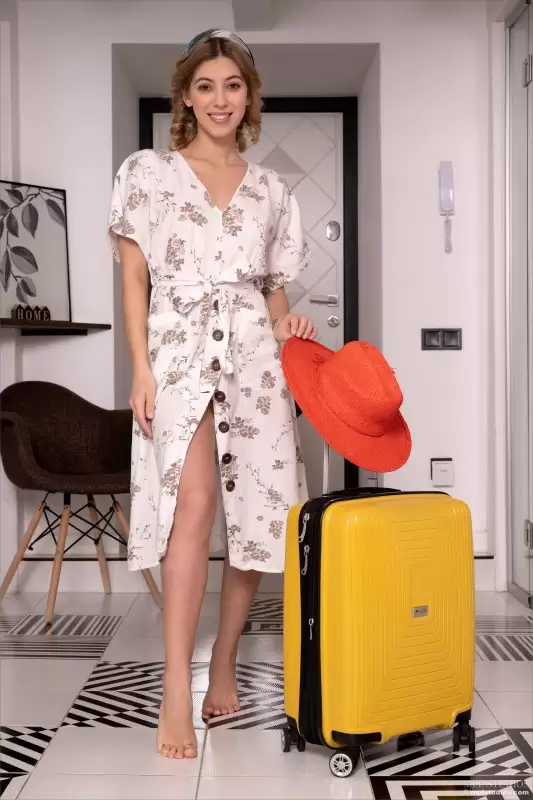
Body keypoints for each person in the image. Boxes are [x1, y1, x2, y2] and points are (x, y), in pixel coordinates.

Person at [108, 29, 316, 760]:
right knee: (192, 506)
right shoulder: (147, 174)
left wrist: (287, 323)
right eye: (206, 86)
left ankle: (224, 655)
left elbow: (272, 290)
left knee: (256, 512)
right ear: (186, 97)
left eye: (233, 85)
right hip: (178, 355)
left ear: (248, 97)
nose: (220, 99)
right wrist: (140, 368)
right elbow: (134, 278)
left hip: (256, 360)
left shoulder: (272, 191)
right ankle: (176, 686)